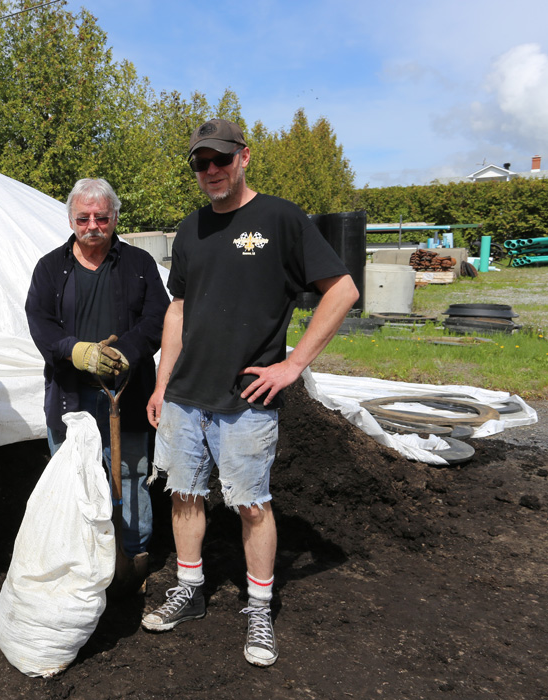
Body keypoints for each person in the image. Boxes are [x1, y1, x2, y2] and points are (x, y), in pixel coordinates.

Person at [142, 119, 359, 667]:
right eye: (200, 162)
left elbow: (343, 290)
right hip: (187, 394)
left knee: (251, 505)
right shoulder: (191, 230)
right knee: (185, 494)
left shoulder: (281, 219)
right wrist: (163, 381)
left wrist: (292, 364)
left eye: (220, 159)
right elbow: (179, 308)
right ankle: (190, 591)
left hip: (246, 399)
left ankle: (259, 606)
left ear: (244, 157)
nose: (210, 170)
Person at [25, 177, 169, 592]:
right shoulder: (51, 268)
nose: (93, 225)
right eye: (84, 217)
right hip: (70, 397)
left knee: (129, 475)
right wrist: (75, 351)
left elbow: (158, 318)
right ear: (71, 219)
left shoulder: (138, 265)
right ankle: (82, 561)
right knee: (74, 481)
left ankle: (133, 557)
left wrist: (126, 350)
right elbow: (40, 322)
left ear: (115, 218)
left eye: (101, 217)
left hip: (126, 393)